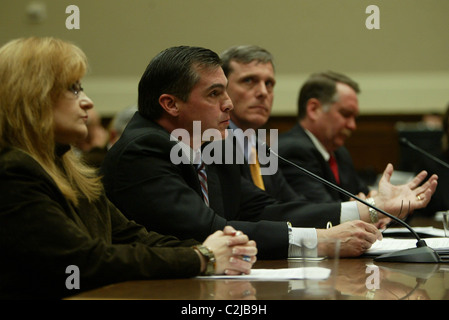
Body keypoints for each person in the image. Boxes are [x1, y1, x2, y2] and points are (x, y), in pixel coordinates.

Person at [101, 45, 437, 261]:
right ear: (170, 104)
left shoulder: (210, 144)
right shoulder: (144, 149)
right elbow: (207, 229)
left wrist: (370, 210)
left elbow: (263, 209)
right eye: (216, 93)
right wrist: (317, 241)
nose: (229, 103)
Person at [0, 37, 257, 300]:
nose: (88, 101)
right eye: (73, 89)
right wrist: (202, 256)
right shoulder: (13, 172)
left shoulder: (71, 171)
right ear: (31, 97)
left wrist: (224, 249)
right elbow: (85, 260)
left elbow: (134, 237)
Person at [278, 71, 378, 204]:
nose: (353, 126)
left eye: (355, 118)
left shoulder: (340, 153)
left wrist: (385, 201)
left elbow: (367, 198)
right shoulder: (293, 151)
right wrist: (369, 210)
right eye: (345, 114)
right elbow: (323, 212)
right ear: (314, 109)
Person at [219, 45, 301, 202]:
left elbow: (292, 204)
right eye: (249, 80)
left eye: (269, 83)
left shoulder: (260, 148)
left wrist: (350, 210)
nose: (263, 92)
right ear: (222, 89)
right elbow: (261, 210)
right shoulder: (213, 144)